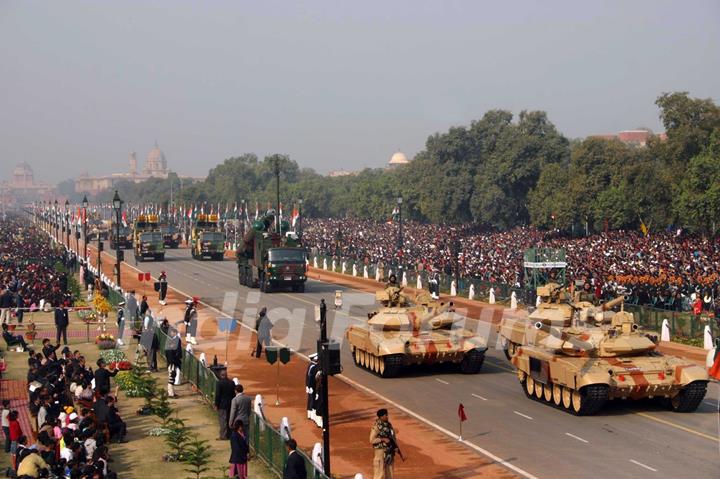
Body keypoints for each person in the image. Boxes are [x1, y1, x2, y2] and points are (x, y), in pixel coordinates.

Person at [370, 408, 397, 479]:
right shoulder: (376, 427)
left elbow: (393, 437)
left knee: (390, 475)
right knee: (379, 475)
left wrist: (395, 447)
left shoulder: (389, 425)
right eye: (386, 415)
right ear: (381, 417)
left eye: (387, 415)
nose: (387, 416)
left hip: (389, 453)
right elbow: (372, 440)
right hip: (380, 453)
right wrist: (382, 439)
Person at [214, 370, 236, 440]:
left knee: (223, 420)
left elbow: (218, 395)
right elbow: (233, 394)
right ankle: (229, 434)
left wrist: (216, 404)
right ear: (226, 375)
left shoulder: (219, 383)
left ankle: (223, 436)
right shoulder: (232, 383)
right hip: (230, 404)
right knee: (230, 419)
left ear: (221, 375)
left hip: (222, 405)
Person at [165, 328, 182, 397]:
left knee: (172, 377)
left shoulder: (172, 342)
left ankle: (171, 392)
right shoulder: (172, 343)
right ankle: (171, 393)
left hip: (172, 362)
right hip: (172, 363)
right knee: (171, 377)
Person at [305, 353, 318, 421]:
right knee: (313, 400)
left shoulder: (311, 365)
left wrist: (307, 385)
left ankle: (310, 414)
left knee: (311, 399)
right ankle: (312, 415)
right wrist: (309, 386)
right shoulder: (313, 367)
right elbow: (310, 377)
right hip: (312, 386)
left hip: (310, 386)